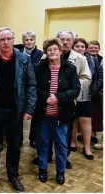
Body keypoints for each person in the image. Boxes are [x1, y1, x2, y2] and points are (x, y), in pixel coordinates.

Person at [0, 27, 37, 192]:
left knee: (14, 145)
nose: (5, 42)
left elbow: (31, 85)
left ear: (13, 40)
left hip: (16, 111)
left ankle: (13, 175)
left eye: (9, 39)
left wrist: (29, 109)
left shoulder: (24, 59)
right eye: (2, 39)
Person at [32, 29, 92, 168]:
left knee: (64, 135)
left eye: (68, 40)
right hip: (46, 104)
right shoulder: (44, 58)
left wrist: (68, 89)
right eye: (62, 39)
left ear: (72, 41)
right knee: (44, 134)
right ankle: (44, 157)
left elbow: (86, 78)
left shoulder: (80, 58)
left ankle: (64, 159)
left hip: (67, 102)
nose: (65, 42)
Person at [35, 38, 80, 185]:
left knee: (61, 145)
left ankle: (60, 172)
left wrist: (58, 98)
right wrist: (47, 97)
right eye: (49, 50)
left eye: (55, 49)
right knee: (43, 144)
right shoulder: (39, 68)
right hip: (44, 114)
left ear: (61, 51)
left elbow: (75, 90)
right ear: (46, 53)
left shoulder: (70, 68)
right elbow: (33, 87)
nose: (52, 52)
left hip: (62, 116)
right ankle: (42, 169)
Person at [71, 38, 102, 159]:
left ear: (85, 49)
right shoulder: (70, 59)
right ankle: (73, 142)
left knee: (86, 121)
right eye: (77, 46)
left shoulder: (91, 59)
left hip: (87, 95)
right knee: (73, 121)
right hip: (72, 96)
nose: (80, 49)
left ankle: (87, 147)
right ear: (73, 48)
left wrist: (93, 90)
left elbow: (97, 77)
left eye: (82, 47)